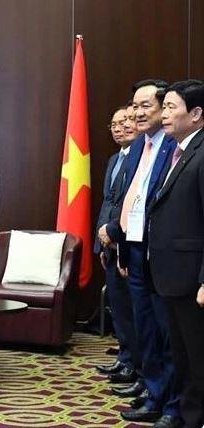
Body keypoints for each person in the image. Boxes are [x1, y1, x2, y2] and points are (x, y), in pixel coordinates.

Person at [100, 79, 181, 428]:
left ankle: (171, 402)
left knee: (166, 332)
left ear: (164, 107)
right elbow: (129, 200)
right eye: (134, 105)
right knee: (144, 327)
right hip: (132, 249)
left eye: (145, 105)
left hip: (159, 254)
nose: (136, 112)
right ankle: (153, 390)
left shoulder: (173, 146)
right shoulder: (138, 148)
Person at [149, 79, 204, 428]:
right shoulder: (177, 150)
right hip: (171, 275)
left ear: (196, 113)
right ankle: (188, 415)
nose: (164, 114)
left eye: (171, 108)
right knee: (183, 355)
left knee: (198, 358)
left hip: (192, 279)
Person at [94, 106, 141, 388]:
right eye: (113, 124)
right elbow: (108, 203)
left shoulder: (139, 159)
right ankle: (125, 358)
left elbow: (130, 206)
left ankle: (135, 364)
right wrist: (102, 245)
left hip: (124, 241)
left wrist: (116, 240)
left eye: (124, 121)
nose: (118, 127)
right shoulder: (114, 159)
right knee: (119, 308)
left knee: (132, 310)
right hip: (108, 243)